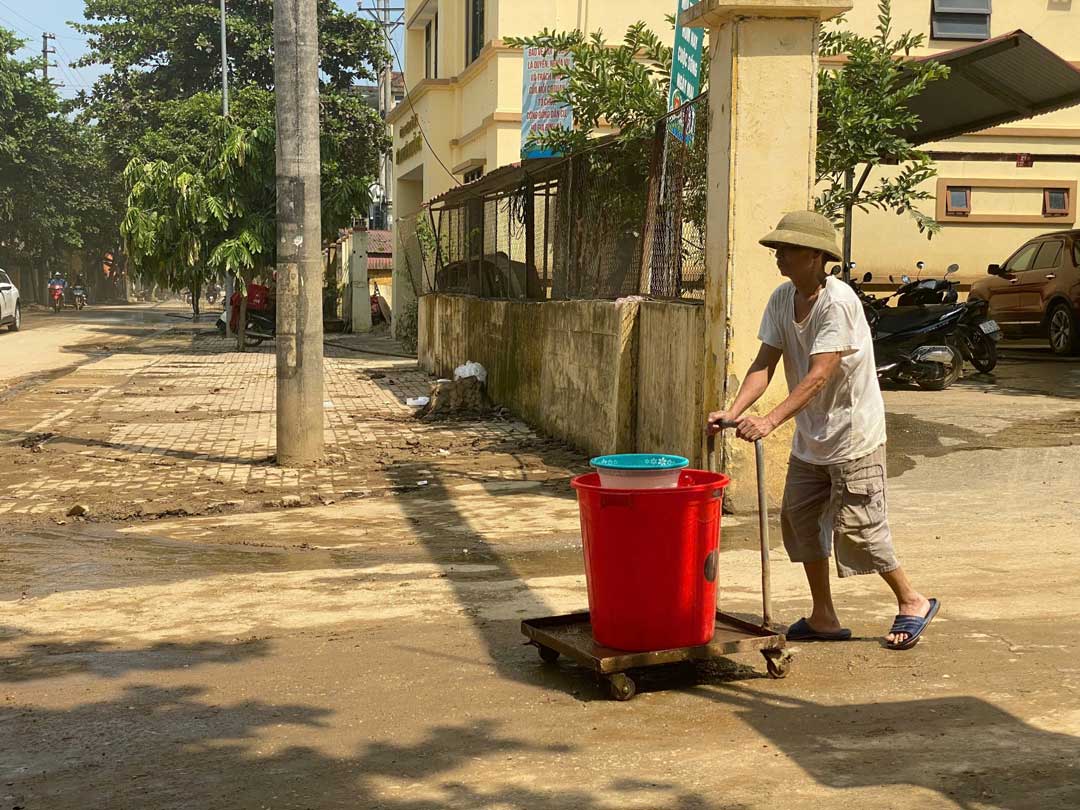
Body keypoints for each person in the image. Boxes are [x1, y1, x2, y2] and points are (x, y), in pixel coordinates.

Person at [705, 210, 938, 650]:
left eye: (788, 249)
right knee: (801, 520)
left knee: (860, 527)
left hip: (854, 436)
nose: (779, 256)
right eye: (778, 248)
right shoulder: (782, 298)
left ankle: (912, 600)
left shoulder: (839, 302)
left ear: (815, 255)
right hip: (812, 437)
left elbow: (819, 375)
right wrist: (733, 411)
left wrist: (770, 421)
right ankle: (823, 615)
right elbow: (764, 364)